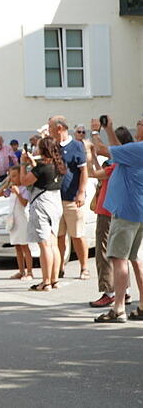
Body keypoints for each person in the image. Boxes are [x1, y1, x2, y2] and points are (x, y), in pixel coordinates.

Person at [92, 117, 143, 323]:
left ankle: (118, 308)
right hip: (137, 210)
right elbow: (118, 149)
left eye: (140, 126)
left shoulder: (138, 149)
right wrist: (110, 129)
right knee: (134, 258)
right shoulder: (134, 150)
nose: (137, 127)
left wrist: (95, 132)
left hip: (125, 211)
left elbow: (104, 150)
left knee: (118, 258)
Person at [20, 137, 65, 291]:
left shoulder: (41, 168)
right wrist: (32, 162)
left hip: (42, 205)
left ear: (43, 149)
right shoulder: (58, 165)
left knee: (44, 245)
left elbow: (24, 180)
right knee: (53, 244)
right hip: (55, 203)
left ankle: (45, 282)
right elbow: (42, 174)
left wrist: (23, 164)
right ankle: (54, 280)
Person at [49, 116, 89, 280]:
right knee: (59, 236)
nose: (49, 131)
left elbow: (83, 171)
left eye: (51, 127)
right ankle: (60, 267)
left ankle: (84, 267)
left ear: (59, 128)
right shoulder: (52, 146)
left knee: (77, 235)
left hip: (72, 198)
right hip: (56, 198)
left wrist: (81, 192)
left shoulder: (77, 146)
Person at [1, 166, 33, 280]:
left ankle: (29, 272)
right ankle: (21, 271)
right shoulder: (11, 187)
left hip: (22, 219)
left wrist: (18, 193)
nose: (13, 178)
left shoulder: (25, 188)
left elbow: (24, 203)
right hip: (13, 220)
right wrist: (7, 182)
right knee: (17, 246)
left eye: (14, 176)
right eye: (11, 176)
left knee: (24, 246)